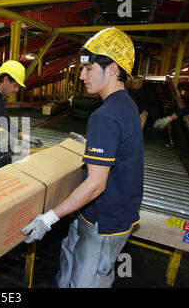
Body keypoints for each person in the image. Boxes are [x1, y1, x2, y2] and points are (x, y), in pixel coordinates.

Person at [22, 27, 144, 288]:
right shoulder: (126, 104)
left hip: (105, 223)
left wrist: (49, 218)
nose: (81, 75)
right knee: (69, 263)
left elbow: (96, 184)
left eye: (89, 68)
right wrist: (96, 145)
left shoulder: (105, 115)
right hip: (99, 214)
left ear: (112, 69)